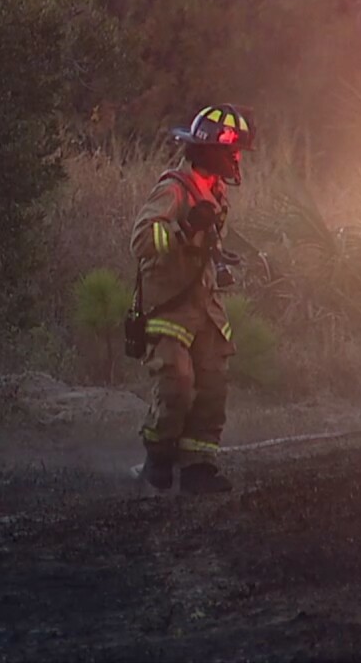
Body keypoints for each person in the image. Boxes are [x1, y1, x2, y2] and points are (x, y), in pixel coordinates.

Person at [128, 104, 254, 495]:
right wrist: (183, 227)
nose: (235, 159)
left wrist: (223, 257)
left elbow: (207, 243)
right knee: (177, 382)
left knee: (213, 384)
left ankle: (199, 465)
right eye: (230, 150)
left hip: (205, 306)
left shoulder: (213, 190)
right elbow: (141, 240)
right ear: (206, 149)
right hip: (171, 306)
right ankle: (158, 458)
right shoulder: (174, 188)